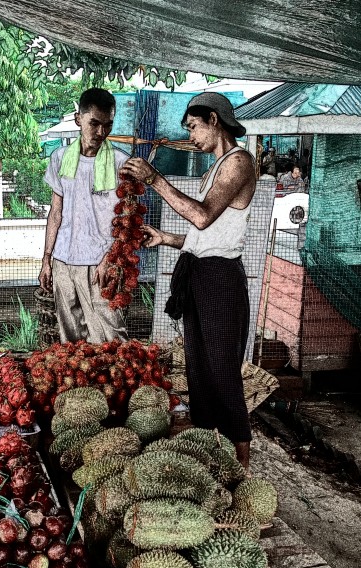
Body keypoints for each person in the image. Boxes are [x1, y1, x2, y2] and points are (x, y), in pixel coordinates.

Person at [120, 92, 256, 469]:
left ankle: (241, 466)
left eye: (193, 127)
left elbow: (201, 217)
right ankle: (211, 450)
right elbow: (205, 235)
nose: (191, 137)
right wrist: (167, 238)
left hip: (220, 279)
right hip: (200, 270)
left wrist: (155, 180)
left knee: (223, 369)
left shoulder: (239, 161)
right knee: (199, 367)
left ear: (213, 120)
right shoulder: (214, 167)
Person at [40, 88, 130, 344]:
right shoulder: (60, 158)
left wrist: (109, 260)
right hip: (63, 261)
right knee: (70, 339)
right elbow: (55, 212)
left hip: (100, 263)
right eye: (94, 123)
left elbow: (127, 222)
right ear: (78, 118)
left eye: (107, 125)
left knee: (111, 337)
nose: (101, 132)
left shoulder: (120, 163)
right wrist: (47, 260)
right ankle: (81, 386)